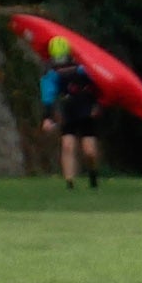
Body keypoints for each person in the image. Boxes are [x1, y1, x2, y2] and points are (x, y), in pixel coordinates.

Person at [39, 36, 105, 188]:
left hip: (86, 108)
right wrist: (47, 117)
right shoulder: (51, 72)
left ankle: (93, 174)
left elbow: (98, 85)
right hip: (68, 109)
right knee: (67, 146)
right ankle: (70, 184)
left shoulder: (83, 67)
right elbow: (48, 94)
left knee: (90, 152)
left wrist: (97, 105)